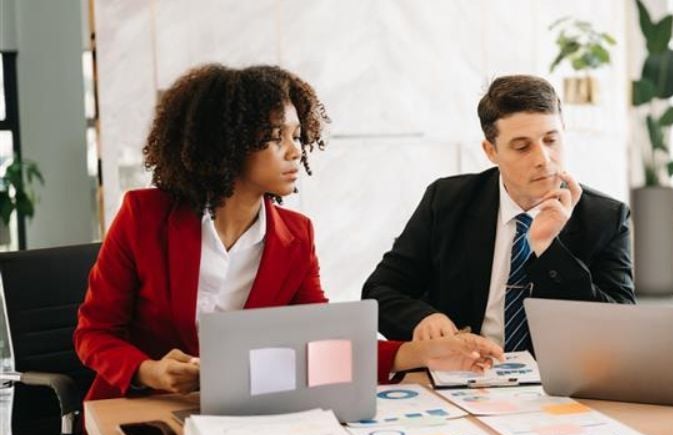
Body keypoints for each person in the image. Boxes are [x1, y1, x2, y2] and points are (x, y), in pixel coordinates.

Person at [75, 64, 503, 405]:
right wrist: (149, 371)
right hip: (138, 412)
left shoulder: (295, 237)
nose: (296, 150)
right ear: (229, 142)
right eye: (275, 137)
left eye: (297, 136)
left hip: (244, 415)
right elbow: (94, 334)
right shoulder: (143, 217)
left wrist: (423, 353)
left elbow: (323, 345)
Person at [362, 75, 635, 353]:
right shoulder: (447, 201)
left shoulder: (606, 218)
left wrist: (550, 250)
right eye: (522, 147)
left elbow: (622, 327)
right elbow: (379, 291)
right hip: (466, 372)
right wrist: (422, 318)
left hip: (560, 381)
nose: (543, 158)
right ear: (491, 151)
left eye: (551, 140)